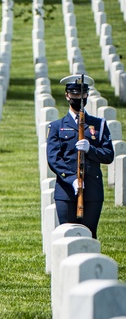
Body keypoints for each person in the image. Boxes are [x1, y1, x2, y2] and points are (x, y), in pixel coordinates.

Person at [47, 75, 114, 238]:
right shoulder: (57, 127)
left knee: (89, 236)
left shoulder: (99, 125)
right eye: (74, 94)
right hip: (66, 190)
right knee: (68, 237)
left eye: (82, 94)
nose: (78, 98)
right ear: (67, 95)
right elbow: (53, 158)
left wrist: (90, 149)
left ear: (87, 96)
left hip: (92, 189)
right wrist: (72, 179)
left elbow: (108, 155)